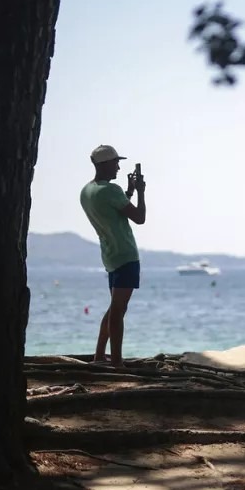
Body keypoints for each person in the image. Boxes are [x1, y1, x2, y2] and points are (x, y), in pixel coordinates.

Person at [80, 145, 146, 367]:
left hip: (109, 256)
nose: (118, 167)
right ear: (105, 164)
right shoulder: (111, 190)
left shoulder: (87, 191)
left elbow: (112, 208)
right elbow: (139, 217)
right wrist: (141, 191)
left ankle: (99, 356)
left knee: (114, 307)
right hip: (126, 255)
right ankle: (117, 362)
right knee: (119, 311)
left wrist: (127, 192)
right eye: (116, 162)